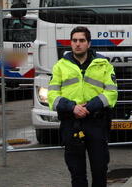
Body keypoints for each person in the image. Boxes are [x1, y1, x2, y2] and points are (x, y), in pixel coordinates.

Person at [48, 26, 118, 187]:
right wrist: (72, 107)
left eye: (82, 40)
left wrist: (89, 107)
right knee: (77, 174)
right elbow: (52, 96)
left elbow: (112, 93)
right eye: (74, 40)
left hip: (96, 123)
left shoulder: (103, 64)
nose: (78, 44)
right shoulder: (60, 66)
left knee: (100, 171)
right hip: (71, 123)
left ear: (89, 43)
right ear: (70, 43)